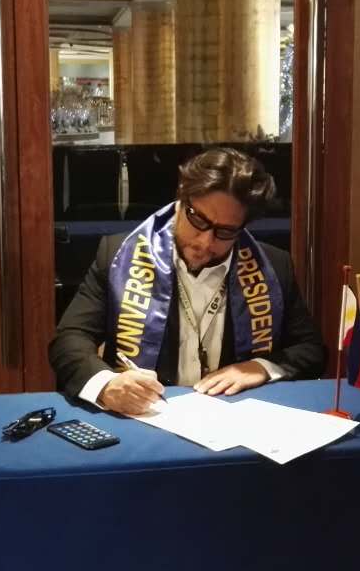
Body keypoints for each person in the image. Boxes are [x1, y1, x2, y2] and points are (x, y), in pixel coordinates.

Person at [49, 147, 326, 415]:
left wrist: (261, 367)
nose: (205, 241)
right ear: (181, 199)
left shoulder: (273, 267)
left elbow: (311, 350)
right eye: (198, 220)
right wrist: (107, 384)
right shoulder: (118, 256)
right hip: (147, 415)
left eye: (225, 232)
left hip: (234, 418)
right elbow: (70, 339)